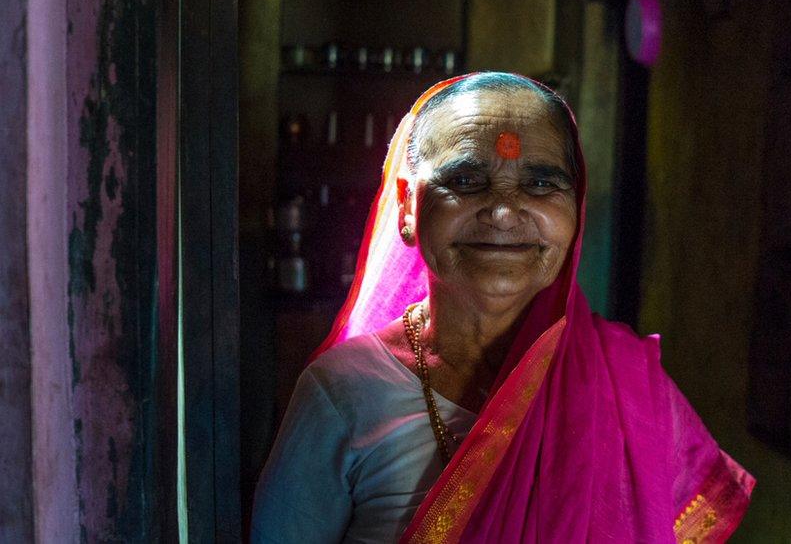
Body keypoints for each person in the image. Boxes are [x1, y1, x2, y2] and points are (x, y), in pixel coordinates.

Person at [251, 72, 754, 543]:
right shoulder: (343, 393)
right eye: (466, 181)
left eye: (540, 183)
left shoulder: (631, 389)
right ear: (408, 206)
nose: (503, 210)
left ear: (575, 210)